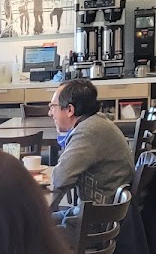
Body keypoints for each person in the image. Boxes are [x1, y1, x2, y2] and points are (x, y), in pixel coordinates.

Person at [48, 79, 134, 208]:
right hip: (108, 210)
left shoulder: (86, 133)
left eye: (53, 107)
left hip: (98, 216)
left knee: (34, 219)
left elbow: (60, 179)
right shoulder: (96, 122)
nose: (50, 113)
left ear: (70, 110)